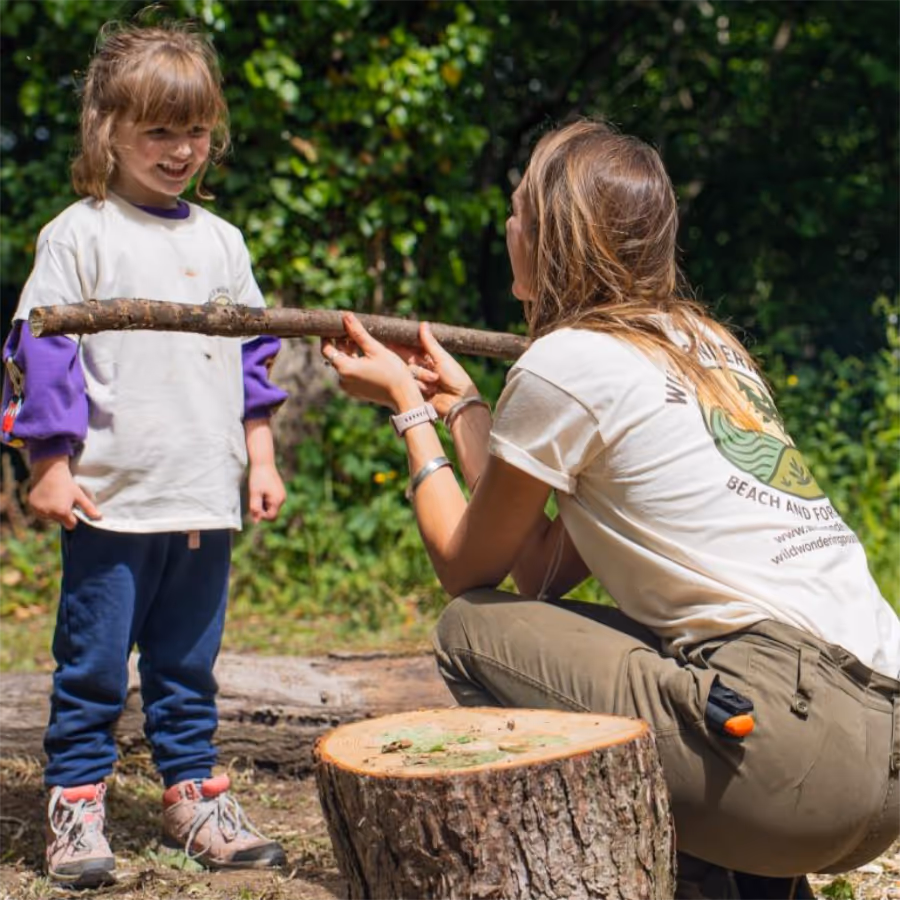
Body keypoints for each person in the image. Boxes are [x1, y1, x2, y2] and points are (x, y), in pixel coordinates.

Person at [321, 119, 900, 900]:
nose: (508, 225)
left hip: (791, 755)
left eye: (521, 208)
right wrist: (466, 409)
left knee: (468, 631)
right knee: (658, 657)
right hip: (878, 752)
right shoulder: (704, 346)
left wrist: (405, 409)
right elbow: (543, 569)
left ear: (557, 235)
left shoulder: (567, 361)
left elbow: (468, 570)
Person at [0, 19, 289, 887]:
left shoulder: (223, 244)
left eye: (194, 130)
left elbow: (254, 360)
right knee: (92, 666)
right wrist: (47, 466)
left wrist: (261, 456)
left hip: (202, 497)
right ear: (108, 129)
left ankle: (194, 795)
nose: (180, 150)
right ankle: (78, 803)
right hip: (112, 499)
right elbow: (38, 357)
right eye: (158, 130)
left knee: (187, 665)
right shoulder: (79, 235)